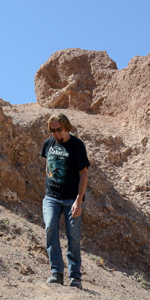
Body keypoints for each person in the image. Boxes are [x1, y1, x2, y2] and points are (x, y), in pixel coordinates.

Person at [41, 113, 89, 289]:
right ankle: (56, 273)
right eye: (52, 130)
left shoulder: (77, 146)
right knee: (49, 227)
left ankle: (75, 277)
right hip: (51, 197)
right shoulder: (48, 144)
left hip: (71, 199)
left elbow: (83, 174)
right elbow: (48, 164)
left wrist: (79, 200)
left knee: (73, 237)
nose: (55, 133)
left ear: (66, 127)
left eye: (58, 130)